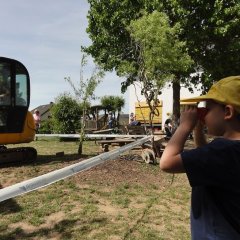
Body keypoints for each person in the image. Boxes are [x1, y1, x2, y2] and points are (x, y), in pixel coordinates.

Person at [160, 76, 240, 239]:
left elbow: (166, 163)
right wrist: (198, 129)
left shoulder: (222, 150)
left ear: (227, 112)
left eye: (206, 110)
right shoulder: (229, 151)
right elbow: (208, 161)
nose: (202, 115)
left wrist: (184, 126)